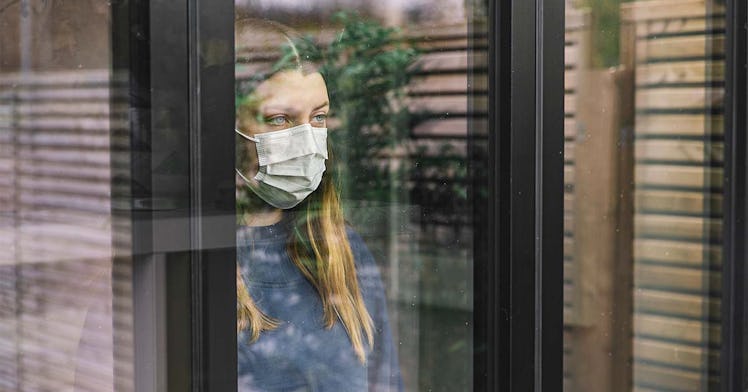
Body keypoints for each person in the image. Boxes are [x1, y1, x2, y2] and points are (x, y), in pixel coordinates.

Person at [234, 18, 402, 391]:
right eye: (280, 119)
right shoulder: (186, 261)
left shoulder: (341, 250)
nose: (307, 140)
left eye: (319, 117)